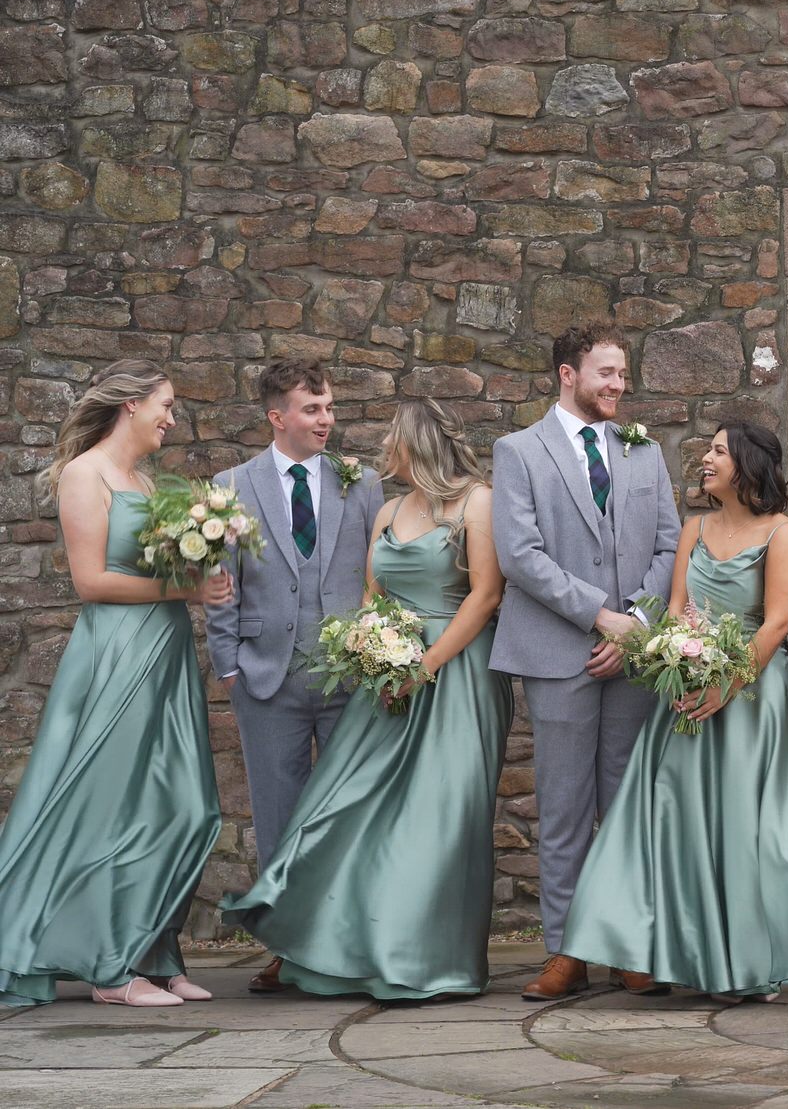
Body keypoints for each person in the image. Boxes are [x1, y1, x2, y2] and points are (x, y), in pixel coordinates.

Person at [222, 399, 512, 999]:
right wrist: (372, 651)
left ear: (417, 443)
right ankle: (326, 944)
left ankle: (432, 960)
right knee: (344, 807)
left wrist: (425, 664)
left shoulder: (476, 503)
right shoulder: (385, 511)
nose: (384, 449)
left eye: (393, 439)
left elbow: (484, 596)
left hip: (456, 678)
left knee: (443, 816)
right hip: (387, 677)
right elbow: (372, 597)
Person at [562, 423, 788, 1002]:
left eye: (717, 451)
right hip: (685, 691)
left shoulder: (781, 533)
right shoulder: (694, 529)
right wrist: (679, 663)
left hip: (753, 700)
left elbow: (778, 623)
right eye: (708, 449)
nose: (704, 459)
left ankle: (747, 960)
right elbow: (679, 607)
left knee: (744, 827)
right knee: (677, 821)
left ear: (748, 465)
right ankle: (679, 953)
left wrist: (728, 684)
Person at [0, 360, 233, 1007]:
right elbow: (91, 582)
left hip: (165, 652)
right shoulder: (85, 474)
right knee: (115, 808)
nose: (172, 417)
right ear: (130, 405)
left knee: (182, 806)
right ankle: (111, 970)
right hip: (116, 654)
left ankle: (156, 953)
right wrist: (188, 586)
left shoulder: (145, 478)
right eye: (166, 405)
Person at [491, 323, 681, 1000]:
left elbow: (670, 544)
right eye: (606, 372)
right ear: (567, 373)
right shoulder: (518, 451)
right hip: (556, 652)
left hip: (632, 654)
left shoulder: (645, 450)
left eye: (623, 374)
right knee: (567, 807)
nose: (618, 385)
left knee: (628, 807)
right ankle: (566, 951)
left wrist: (634, 625)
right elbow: (520, 554)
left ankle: (630, 944)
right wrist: (598, 614)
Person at [208, 358, 383, 993]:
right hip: (265, 679)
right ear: (276, 417)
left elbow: (377, 574)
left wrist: (374, 653)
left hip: (348, 679)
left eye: (330, 408)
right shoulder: (231, 484)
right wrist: (228, 665)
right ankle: (284, 946)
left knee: (347, 813)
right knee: (279, 816)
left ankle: (343, 944)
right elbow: (219, 585)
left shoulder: (358, 482)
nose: (327, 420)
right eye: (312, 410)